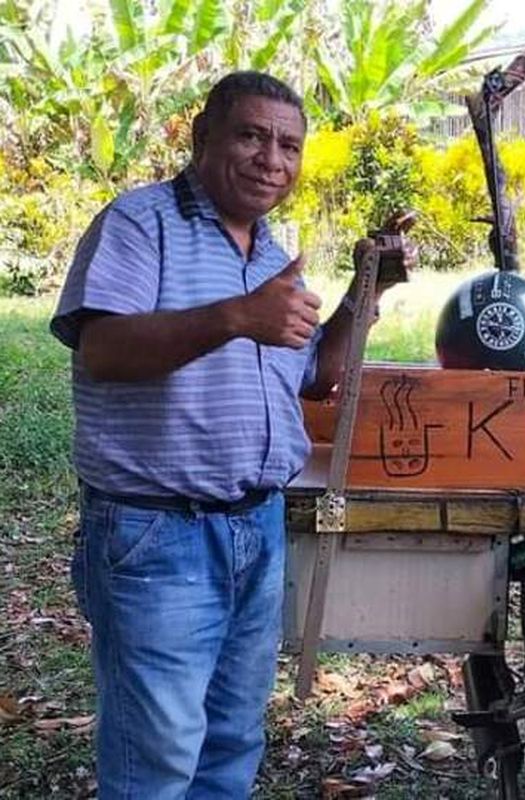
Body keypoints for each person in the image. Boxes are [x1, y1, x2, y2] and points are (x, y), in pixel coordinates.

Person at [50, 71, 409, 798]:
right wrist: (235, 317)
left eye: (288, 145)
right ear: (202, 137)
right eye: (250, 135)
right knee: (157, 751)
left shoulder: (273, 256)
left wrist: (367, 292)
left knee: (231, 738)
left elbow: (311, 376)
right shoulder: (139, 224)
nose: (271, 158)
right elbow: (103, 350)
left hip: (257, 527)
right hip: (158, 531)